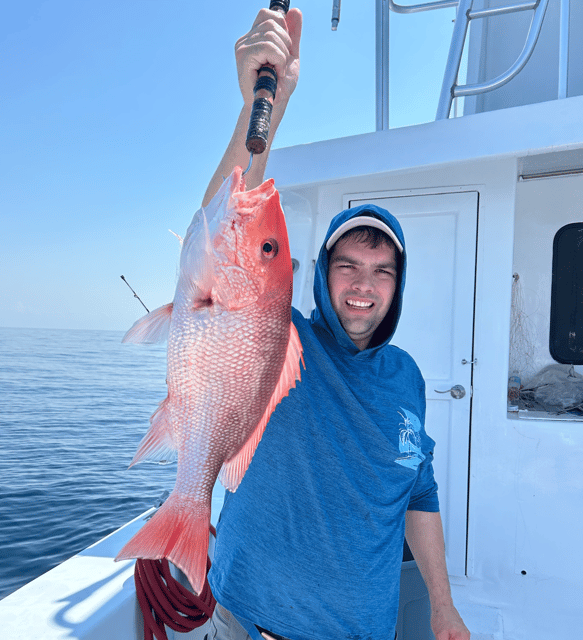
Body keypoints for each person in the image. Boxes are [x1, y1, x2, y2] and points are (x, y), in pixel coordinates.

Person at [202, 7, 470, 640]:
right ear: (322, 274)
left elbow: (419, 489)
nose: (362, 285)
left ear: (398, 287)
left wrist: (441, 602)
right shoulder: (279, 337)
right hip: (247, 620)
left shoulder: (406, 377)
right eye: (348, 265)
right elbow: (221, 240)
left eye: (381, 271)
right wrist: (263, 108)